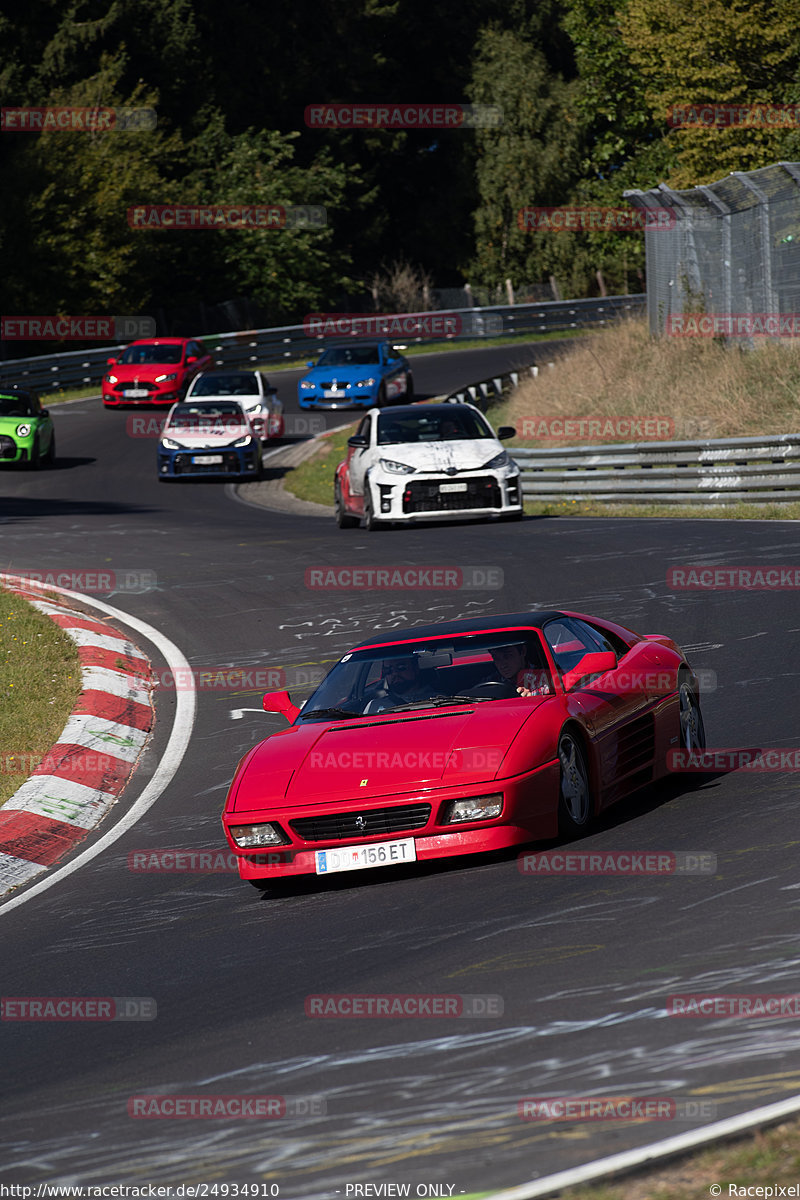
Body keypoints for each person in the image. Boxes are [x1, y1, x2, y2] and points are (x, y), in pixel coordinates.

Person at [363, 657, 431, 712]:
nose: (394, 673)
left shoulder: (437, 701)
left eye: (401, 667)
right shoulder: (374, 706)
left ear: (415, 668)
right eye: (388, 670)